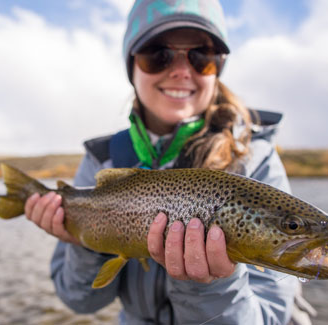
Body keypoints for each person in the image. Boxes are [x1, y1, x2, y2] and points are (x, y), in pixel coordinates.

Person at [24, 0, 312, 324]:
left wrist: (212, 286)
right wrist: (82, 242)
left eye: (201, 57)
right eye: (157, 55)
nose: (179, 71)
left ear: (217, 68)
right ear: (132, 66)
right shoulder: (102, 158)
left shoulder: (254, 160)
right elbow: (81, 301)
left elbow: (271, 316)